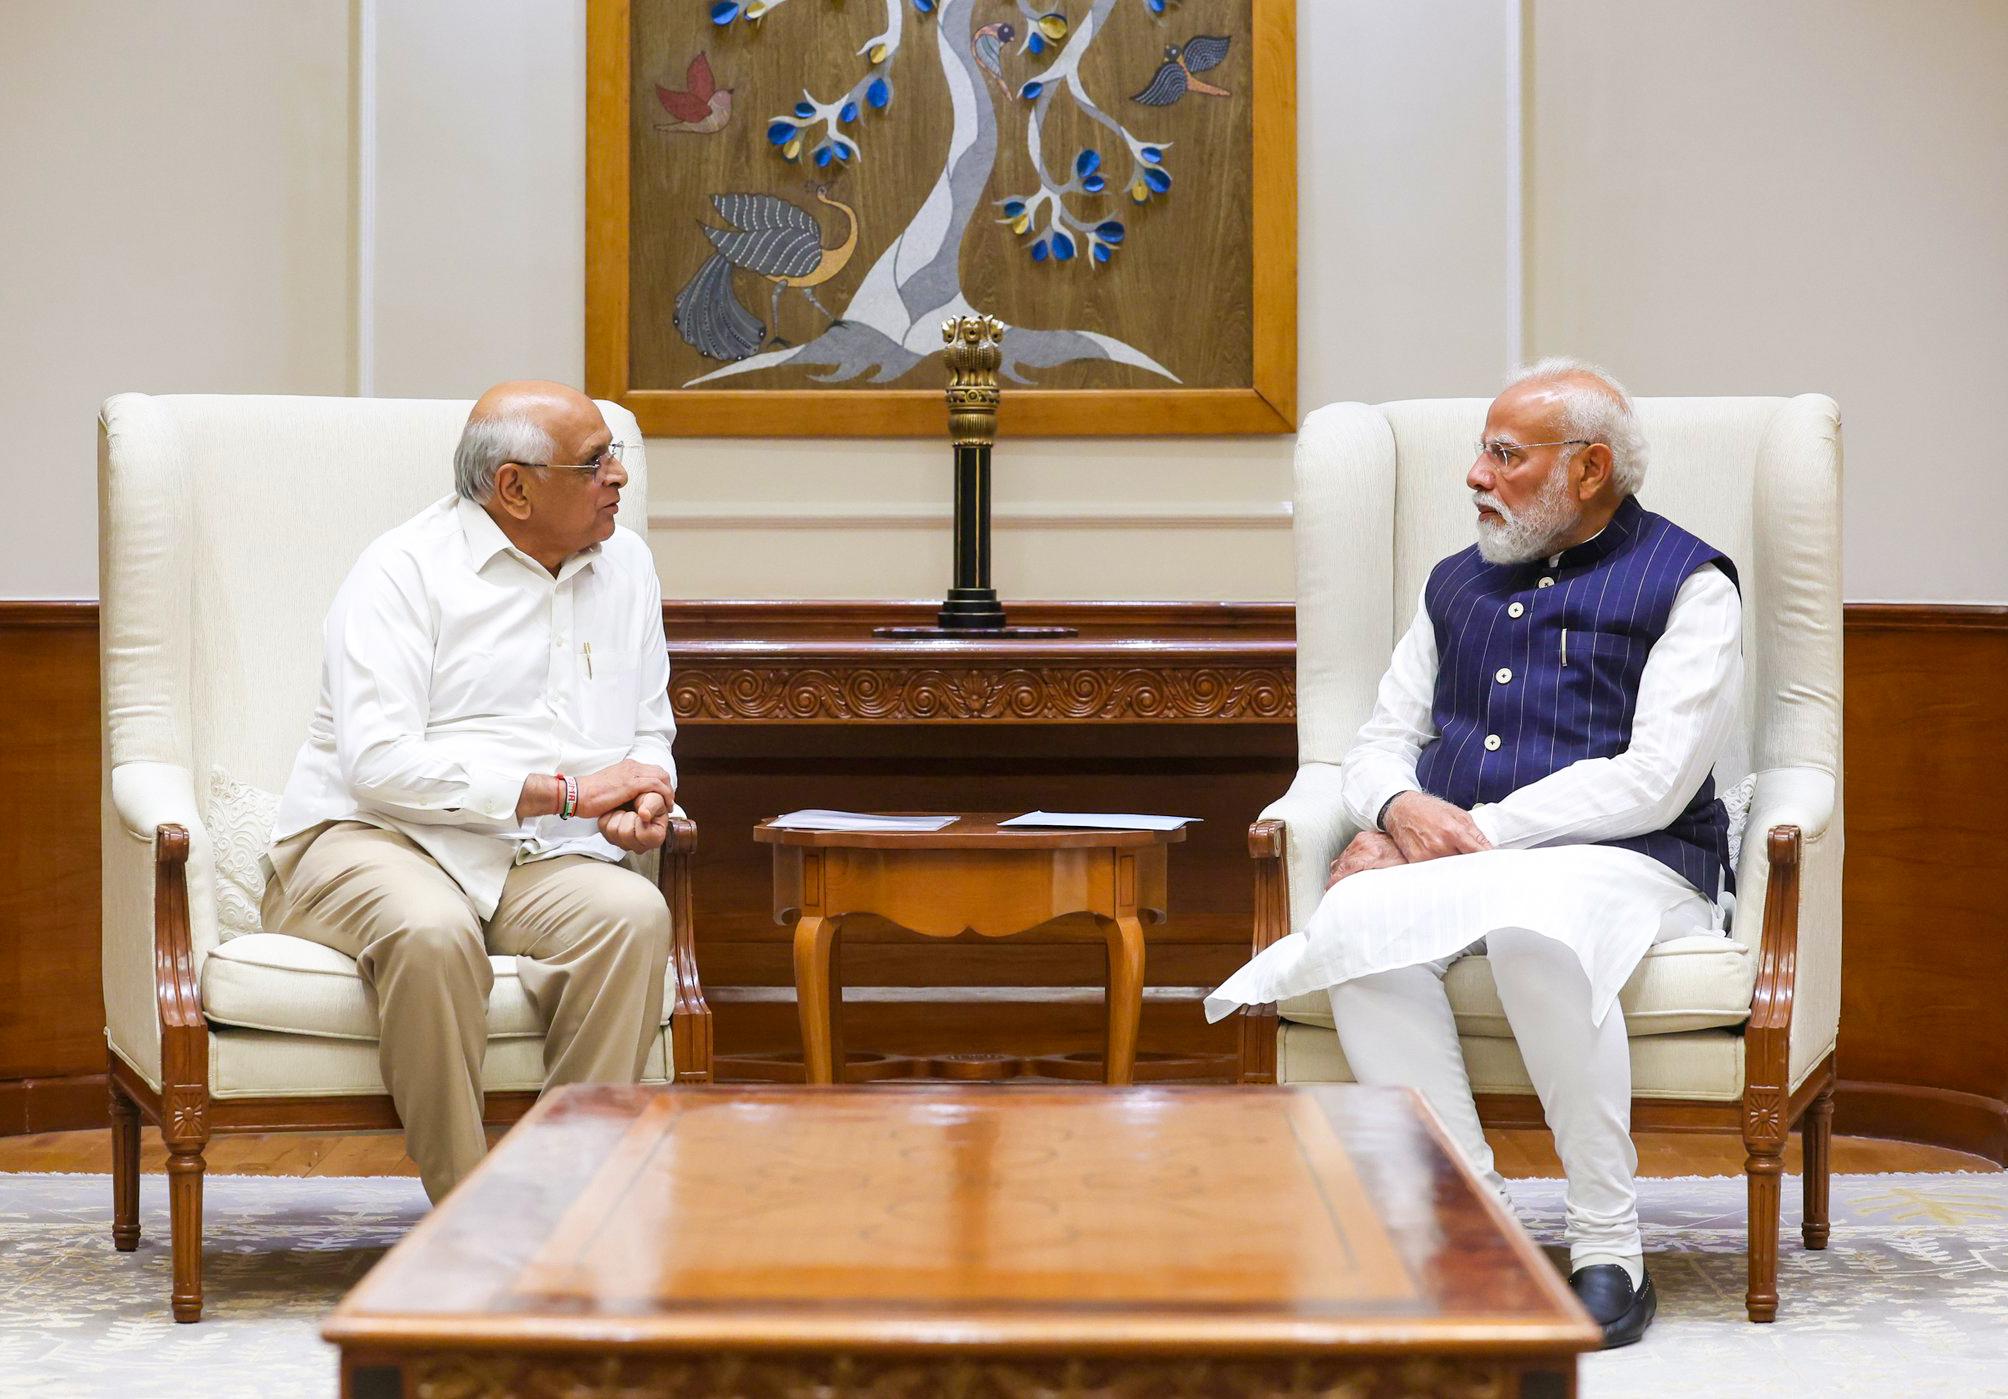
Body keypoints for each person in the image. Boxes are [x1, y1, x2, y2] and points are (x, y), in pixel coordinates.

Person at [1206, 358, 1744, 1348]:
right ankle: (1469, 1224)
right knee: (1357, 930)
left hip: (1636, 860)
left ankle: (1606, 1246)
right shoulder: (1454, 582)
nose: (1475, 476)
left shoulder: (1690, 582)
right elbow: (1377, 736)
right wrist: (1397, 803)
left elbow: (1655, 779)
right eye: (1480, 452)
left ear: (1588, 469)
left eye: (1504, 454)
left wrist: (1472, 835)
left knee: (1535, 930)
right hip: (1459, 858)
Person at [262, 380, 679, 1202]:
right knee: (431, 929)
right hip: (372, 837)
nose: (619, 479)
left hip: (528, 857)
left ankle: (566, 1202)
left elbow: (647, 727)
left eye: (616, 458)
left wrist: (645, 799)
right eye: (595, 463)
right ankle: (469, 1213)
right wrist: (563, 793)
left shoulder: (627, 563)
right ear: (513, 486)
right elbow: (377, 762)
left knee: (632, 916)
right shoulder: (402, 570)